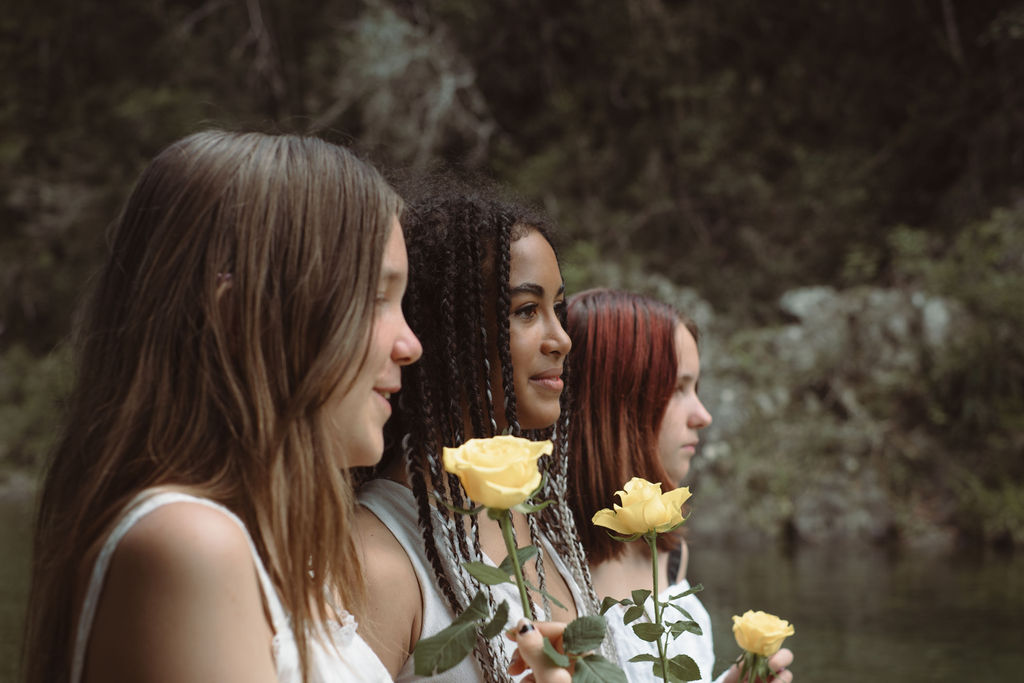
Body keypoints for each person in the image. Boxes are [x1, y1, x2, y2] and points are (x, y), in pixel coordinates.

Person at [21, 131, 558, 683]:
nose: (411, 344)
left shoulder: (274, 557)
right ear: (243, 314)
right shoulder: (191, 544)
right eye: (376, 298)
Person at [355, 183, 601, 682]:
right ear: (448, 332)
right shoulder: (377, 556)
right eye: (526, 311)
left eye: (558, 307)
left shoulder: (535, 527)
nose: (562, 339)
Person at [565, 289, 794, 683]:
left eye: (696, 389)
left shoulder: (669, 556)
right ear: (616, 400)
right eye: (678, 389)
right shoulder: (544, 570)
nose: (702, 416)